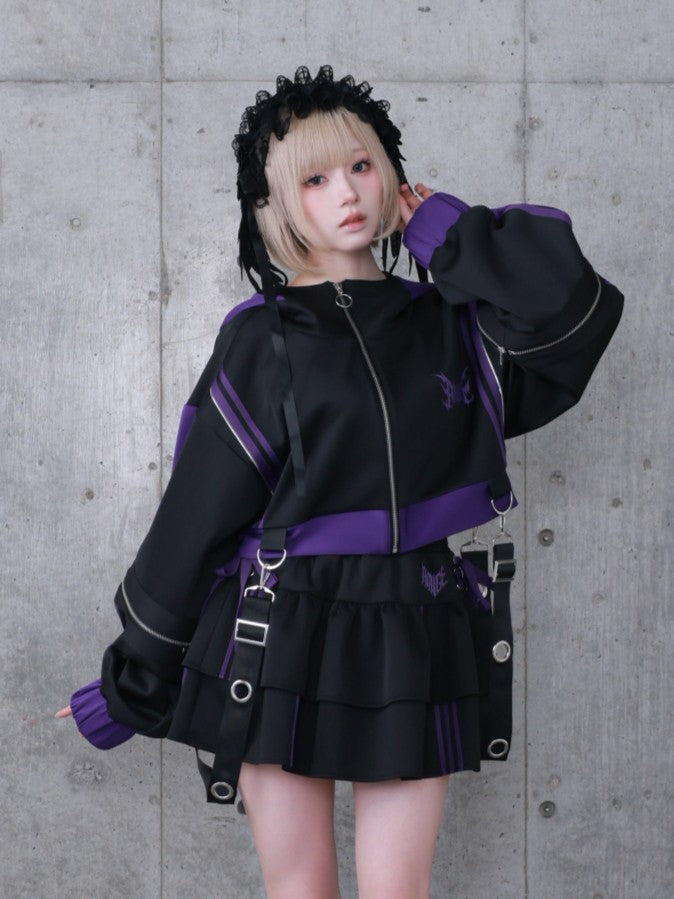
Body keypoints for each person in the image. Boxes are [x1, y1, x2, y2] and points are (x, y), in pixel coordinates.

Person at [56, 65, 623, 898]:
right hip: (281, 628)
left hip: (417, 624)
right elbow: (196, 519)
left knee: (399, 890)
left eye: (361, 165)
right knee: (302, 889)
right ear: (278, 205)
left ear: (391, 172)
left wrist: (446, 233)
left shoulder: (451, 323)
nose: (347, 193)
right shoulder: (262, 337)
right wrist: (130, 686)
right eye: (314, 179)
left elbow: (571, 310)